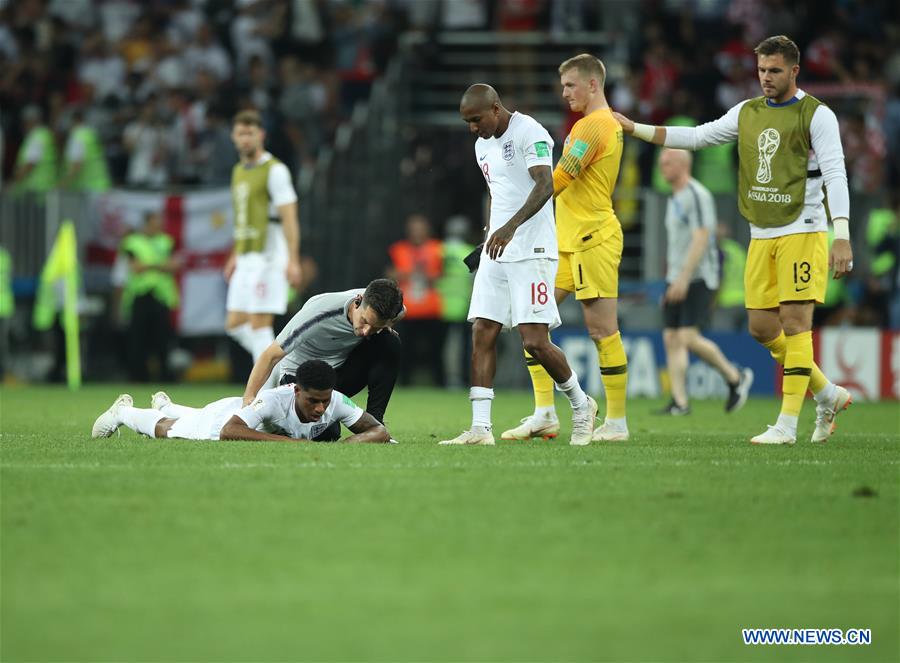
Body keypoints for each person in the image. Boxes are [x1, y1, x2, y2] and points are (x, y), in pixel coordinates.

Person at [614, 35, 853, 445]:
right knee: (762, 329)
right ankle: (828, 393)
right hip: (761, 232)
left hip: (803, 227)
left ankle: (787, 425)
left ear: (795, 71)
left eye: (775, 71)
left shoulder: (817, 116)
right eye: (761, 70)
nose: (766, 78)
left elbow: (835, 174)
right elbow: (699, 136)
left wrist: (842, 234)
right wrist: (636, 128)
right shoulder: (748, 112)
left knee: (796, 325)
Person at [440, 84, 597, 446]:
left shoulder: (531, 132)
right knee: (482, 331)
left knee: (535, 341)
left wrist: (510, 228)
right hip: (499, 250)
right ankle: (480, 429)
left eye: (476, 120)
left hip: (533, 250)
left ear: (496, 108)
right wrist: (490, 234)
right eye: (467, 122)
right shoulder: (482, 145)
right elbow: (500, 193)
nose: (472, 129)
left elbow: (545, 185)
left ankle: (581, 404)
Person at [501, 54, 629, 443]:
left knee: (602, 329)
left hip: (594, 238)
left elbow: (559, 178)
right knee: (531, 320)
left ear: (593, 84)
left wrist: (517, 213)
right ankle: (544, 413)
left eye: (570, 85)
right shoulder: (587, 125)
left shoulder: (595, 126)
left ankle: (618, 423)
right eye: (562, 86)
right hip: (567, 240)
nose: (564, 92)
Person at [655, 148, 754, 415]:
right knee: (671, 337)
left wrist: (684, 279)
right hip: (676, 276)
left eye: (667, 163)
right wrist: (673, 277)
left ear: (682, 165)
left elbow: (702, 236)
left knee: (688, 336)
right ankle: (680, 402)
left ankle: (735, 376)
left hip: (698, 276)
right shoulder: (675, 196)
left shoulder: (696, 195)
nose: (662, 167)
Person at [244, 278, 405, 441]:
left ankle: (375, 425)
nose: (366, 331)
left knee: (389, 342)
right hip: (302, 379)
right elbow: (270, 355)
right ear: (358, 301)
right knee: (326, 435)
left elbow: (401, 312)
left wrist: (383, 328)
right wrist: (248, 398)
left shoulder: (394, 310)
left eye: (375, 326)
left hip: (339, 373)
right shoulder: (319, 313)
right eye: (364, 321)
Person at [91, 360, 391, 444]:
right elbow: (229, 431)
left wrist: (350, 445)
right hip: (227, 418)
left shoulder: (334, 400)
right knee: (169, 430)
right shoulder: (275, 399)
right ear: (297, 390)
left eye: (324, 402)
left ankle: (166, 405)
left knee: (183, 416)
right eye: (314, 401)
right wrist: (287, 443)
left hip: (244, 413)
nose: (321, 409)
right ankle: (124, 411)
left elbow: (380, 431)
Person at [224, 109, 302, 369]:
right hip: (246, 254)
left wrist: (293, 259)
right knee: (234, 324)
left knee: (259, 324)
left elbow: (289, 217)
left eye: (250, 133)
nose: (245, 139)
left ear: (261, 135)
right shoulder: (237, 171)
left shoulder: (275, 170)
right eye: (240, 133)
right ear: (233, 137)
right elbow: (242, 217)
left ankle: (268, 387)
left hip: (269, 253)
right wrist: (235, 255)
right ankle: (282, 368)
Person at [119, 211, 180, 382]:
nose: (158, 227)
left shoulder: (166, 241)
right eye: (154, 223)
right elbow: (135, 267)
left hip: (161, 296)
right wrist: (161, 265)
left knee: (162, 339)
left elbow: (175, 265)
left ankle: (165, 377)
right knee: (138, 339)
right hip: (140, 296)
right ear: (146, 224)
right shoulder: (132, 242)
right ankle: (138, 376)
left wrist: (149, 265)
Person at [387, 213, 446, 386]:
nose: (417, 232)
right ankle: (404, 384)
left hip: (432, 308)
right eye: (414, 229)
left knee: (436, 351)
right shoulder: (398, 249)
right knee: (404, 350)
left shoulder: (438, 248)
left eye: (420, 229)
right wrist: (406, 274)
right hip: (405, 309)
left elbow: (444, 273)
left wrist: (428, 276)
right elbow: (389, 273)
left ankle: (440, 384)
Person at [60, 108, 111, 193]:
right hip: (100, 185)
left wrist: (62, 185)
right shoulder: (90, 133)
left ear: (73, 121)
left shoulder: (77, 137)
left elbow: (76, 166)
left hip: (89, 189)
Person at [12, 105, 58, 193]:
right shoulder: (46, 134)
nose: (24, 125)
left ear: (32, 120)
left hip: (34, 189)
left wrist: (14, 181)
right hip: (45, 186)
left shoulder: (36, 137)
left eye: (25, 121)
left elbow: (29, 164)